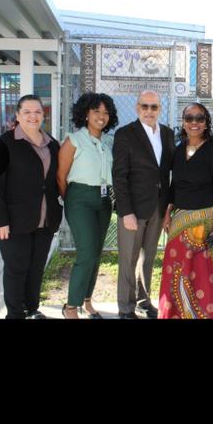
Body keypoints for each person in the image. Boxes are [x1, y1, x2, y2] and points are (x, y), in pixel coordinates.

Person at [158, 104, 213, 319]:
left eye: (199, 118)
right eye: (189, 118)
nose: (194, 123)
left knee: (204, 274)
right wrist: (167, 212)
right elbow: (174, 185)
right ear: (183, 122)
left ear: (206, 123)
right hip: (179, 222)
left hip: (207, 222)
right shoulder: (178, 150)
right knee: (177, 270)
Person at [0, 94, 63, 319]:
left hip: (44, 219)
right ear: (18, 115)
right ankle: (15, 314)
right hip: (12, 221)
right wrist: (0, 220)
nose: (33, 116)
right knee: (16, 268)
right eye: (27, 112)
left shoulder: (52, 143)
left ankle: (32, 308)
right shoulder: (4, 143)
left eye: (37, 111)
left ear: (43, 115)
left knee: (36, 267)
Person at [112, 90, 175, 319]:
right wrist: (126, 211)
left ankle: (143, 301)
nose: (149, 111)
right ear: (137, 107)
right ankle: (126, 307)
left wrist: (169, 207)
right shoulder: (125, 134)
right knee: (128, 259)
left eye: (154, 107)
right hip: (133, 209)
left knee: (148, 258)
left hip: (158, 207)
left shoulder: (167, 134)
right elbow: (119, 176)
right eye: (144, 106)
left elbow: (168, 171)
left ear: (160, 109)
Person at [57, 93, 118, 319]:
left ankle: (86, 300)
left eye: (105, 112)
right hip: (79, 199)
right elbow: (61, 176)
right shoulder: (73, 140)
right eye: (96, 111)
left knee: (96, 253)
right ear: (85, 114)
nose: (101, 116)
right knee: (86, 253)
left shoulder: (108, 142)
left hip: (103, 200)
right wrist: (72, 200)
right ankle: (70, 307)